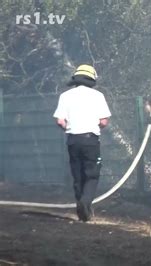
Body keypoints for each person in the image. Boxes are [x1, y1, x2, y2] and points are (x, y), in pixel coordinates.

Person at [53, 64, 111, 222]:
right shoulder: (97, 96)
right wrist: (94, 125)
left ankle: (81, 206)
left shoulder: (65, 96)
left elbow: (60, 121)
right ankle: (85, 204)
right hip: (90, 139)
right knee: (92, 175)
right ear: (92, 79)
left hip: (73, 140)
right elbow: (104, 121)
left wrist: (70, 127)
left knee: (77, 175)